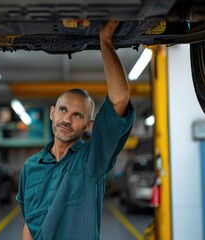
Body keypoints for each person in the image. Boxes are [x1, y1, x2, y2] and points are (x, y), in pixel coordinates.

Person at [16, 20, 136, 240]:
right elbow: (30, 223)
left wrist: (105, 40)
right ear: (52, 113)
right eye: (63, 110)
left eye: (77, 115)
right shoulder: (31, 166)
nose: (67, 119)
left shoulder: (93, 160)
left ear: (88, 125)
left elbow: (119, 99)